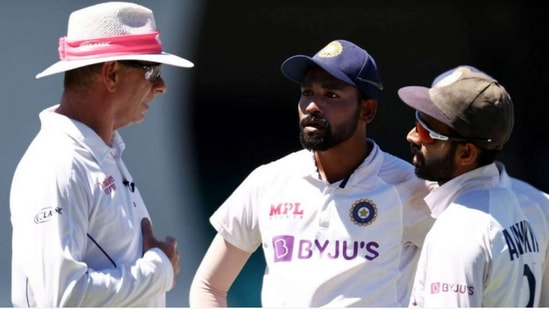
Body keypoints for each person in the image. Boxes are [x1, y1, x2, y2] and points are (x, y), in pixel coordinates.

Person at [189, 39, 435, 307]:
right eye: (307, 92)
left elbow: (467, 279)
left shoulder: (412, 187)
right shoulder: (268, 181)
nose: (312, 106)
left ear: (367, 110)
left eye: (331, 95)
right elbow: (209, 287)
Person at [10, 2, 194, 307]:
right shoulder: (59, 164)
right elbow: (62, 298)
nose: (161, 86)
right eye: (152, 69)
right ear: (111, 74)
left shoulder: (96, 155)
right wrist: (158, 269)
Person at [398, 65, 549, 307]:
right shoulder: (516, 205)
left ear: (466, 154)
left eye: (427, 133)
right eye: (418, 123)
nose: (412, 136)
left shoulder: (456, 232)